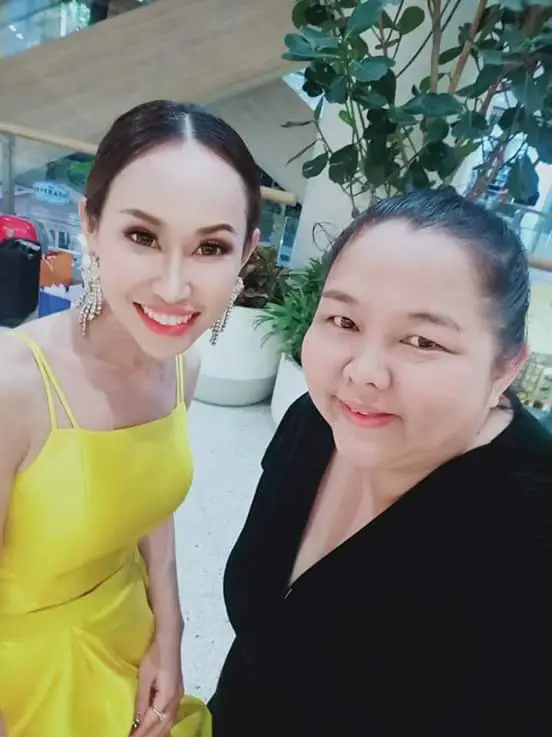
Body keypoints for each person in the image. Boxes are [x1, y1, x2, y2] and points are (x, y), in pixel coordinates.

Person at [210, 188, 552, 737]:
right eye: (344, 321)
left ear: (505, 369)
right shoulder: (314, 423)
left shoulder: (532, 538)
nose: (364, 372)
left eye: (421, 341)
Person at [0, 100, 260, 737]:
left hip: (125, 632)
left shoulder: (182, 366)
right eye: (143, 237)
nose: (173, 287)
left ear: (246, 254)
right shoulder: (14, 386)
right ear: (91, 226)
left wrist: (169, 632)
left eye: (210, 247)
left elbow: (146, 502)